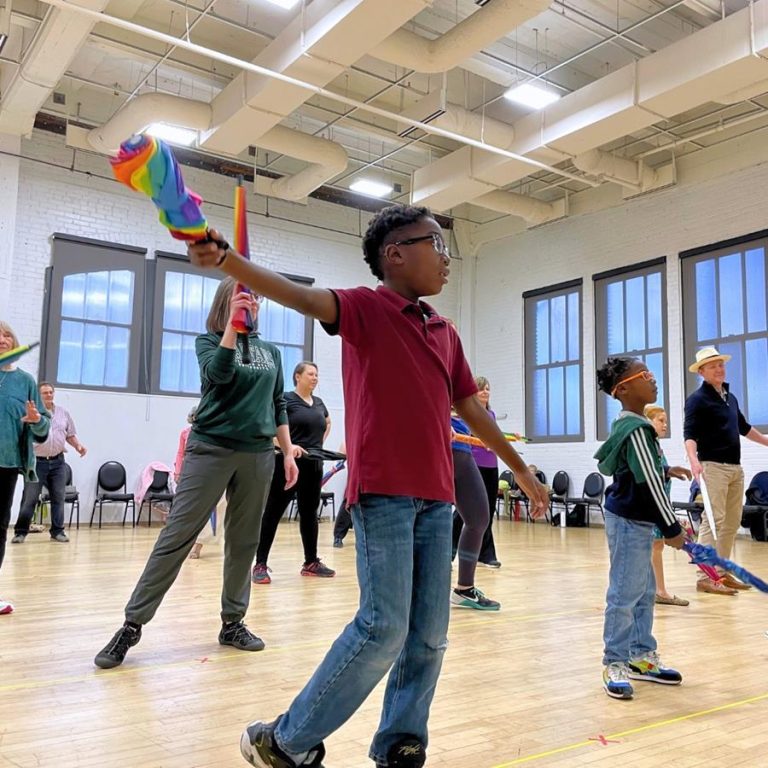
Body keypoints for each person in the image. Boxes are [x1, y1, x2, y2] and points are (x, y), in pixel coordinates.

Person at [188, 204, 548, 768]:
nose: (447, 257)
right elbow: (298, 296)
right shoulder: (362, 307)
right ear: (395, 254)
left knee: (429, 634)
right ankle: (283, 741)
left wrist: (518, 466)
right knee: (383, 627)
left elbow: (470, 408)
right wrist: (230, 259)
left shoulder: (445, 332)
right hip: (383, 494)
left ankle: (402, 740)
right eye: (436, 244)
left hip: (437, 498)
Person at [93, 278, 298, 669]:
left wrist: (287, 452)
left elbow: (278, 404)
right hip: (211, 448)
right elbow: (217, 376)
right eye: (243, 296)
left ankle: (233, 622)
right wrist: (232, 331)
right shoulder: (206, 341)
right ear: (227, 301)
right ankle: (132, 624)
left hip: (258, 454)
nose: (252, 301)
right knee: (178, 535)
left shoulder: (271, 352)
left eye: (255, 297)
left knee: (243, 541)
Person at [595, 357, 685, 701]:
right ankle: (614, 660)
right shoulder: (635, 429)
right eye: (645, 375)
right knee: (623, 593)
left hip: (638, 519)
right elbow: (646, 485)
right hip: (630, 520)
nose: (653, 379)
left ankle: (640, 656)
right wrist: (672, 528)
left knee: (644, 590)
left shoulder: (633, 425)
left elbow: (643, 471)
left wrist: (667, 469)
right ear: (624, 389)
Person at [684, 346, 768, 595]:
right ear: (702, 371)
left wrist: (765, 441)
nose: (719, 369)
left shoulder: (730, 398)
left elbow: (743, 427)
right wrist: (693, 460)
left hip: (734, 468)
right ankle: (704, 576)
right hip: (712, 467)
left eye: (720, 364)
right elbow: (689, 434)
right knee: (713, 522)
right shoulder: (697, 400)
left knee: (731, 523)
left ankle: (720, 572)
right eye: (712, 366)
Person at [253, 361, 334, 583]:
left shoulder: (319, 403)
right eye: (310, 374)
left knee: (309, 515)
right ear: (297, 376)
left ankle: (311, 562)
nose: (315, 377)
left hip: (313, 466)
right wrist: (289, 447)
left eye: (317, 374)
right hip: (287, 466)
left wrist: (315, 446)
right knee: (273, 513)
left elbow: (327, 422)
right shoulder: (286, 400)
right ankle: (260, 564)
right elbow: (268, 429)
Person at [0, 321, 50, 615]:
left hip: (7, 465)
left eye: (8, 334)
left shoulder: (26, 381)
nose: (3, 339)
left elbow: (43, 425)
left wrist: (35, 420)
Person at [11, 382, 86, 544]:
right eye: (45, 393)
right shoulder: (32, 414)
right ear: (39, 395)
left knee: (59, 497)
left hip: (58, 462)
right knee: (29, 499)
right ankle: (21, 532)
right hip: (36, 463)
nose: (49, 395)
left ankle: (57, 531)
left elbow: (70, 435)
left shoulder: (63, 413)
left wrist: (78, 446)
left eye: (51, 392)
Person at [449, 412, 500, 610]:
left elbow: (469, 408)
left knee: (479, 519)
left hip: (463, 451)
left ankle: (464, 588)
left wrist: (485, 435)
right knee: (431, 520)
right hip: (438, 448)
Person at [644, 404, 692, 607]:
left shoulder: (655, 445)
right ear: (648, 421)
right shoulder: (646, 445)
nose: (665, 425)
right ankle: (658, 590)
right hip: (651, 507)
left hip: (660, 506)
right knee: (654, 546)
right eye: (661, 421)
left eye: (666, 421)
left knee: (657, 545)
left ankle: (658, 589)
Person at [452, 376, 501, 568]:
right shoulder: (465, 413)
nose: (486, 392)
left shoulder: (492, 415)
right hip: (474, 463)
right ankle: (450, 550)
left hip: (491, 465)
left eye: (488, 389)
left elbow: (495, 438)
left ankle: (486, 554)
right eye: (482, 389)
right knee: (465, 514)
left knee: (488, 510)